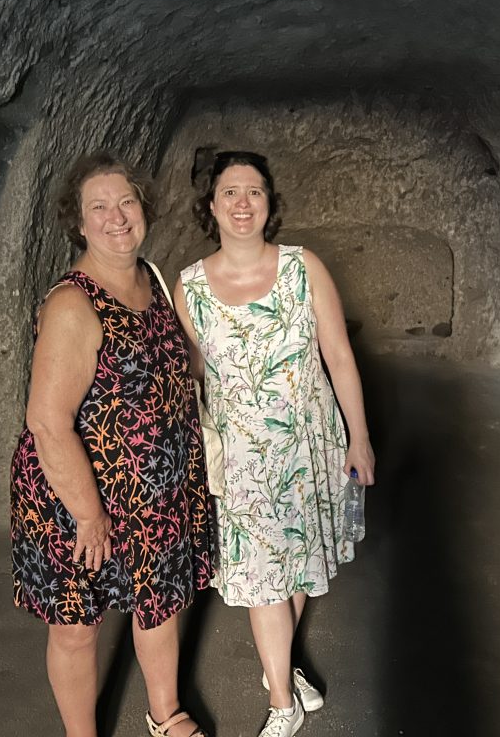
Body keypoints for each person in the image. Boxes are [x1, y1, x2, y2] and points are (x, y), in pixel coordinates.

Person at [10, 151, 216, 737]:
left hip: (156, 492)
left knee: (160, 601)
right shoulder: (73, 304)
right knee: (78, 625)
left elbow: (174, 365)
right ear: (78, 222)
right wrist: (89, 514)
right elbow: (48, 422)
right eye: (98, 207)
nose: (116, 216)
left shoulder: (149, 276)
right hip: (77, 495)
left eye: (126, 201)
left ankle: (165, 713)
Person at [173, 151, 376, 737]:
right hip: (242, 459)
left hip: (310, 446)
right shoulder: (189, 288)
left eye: (254, 192)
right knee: (264, 578)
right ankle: (282, 704)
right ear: (211, 206)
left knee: (297, 564)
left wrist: (359, 438)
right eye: (230, 192)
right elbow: (186, 377)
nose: (242, 203)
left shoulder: (302, 267)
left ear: (269, 203)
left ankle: (276, 664)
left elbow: (339, 355)